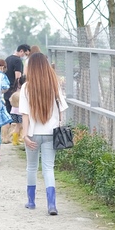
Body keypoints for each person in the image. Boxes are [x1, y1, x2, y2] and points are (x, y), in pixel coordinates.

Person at [19, 51, 68, 215]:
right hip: (51, 133)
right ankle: (51, 205)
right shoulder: (54, 84)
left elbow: (25, 115)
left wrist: (25, 135)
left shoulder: (26, 87)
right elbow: (62, 111)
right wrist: (59, 124)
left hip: (33, 133)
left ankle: (31, 202)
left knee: (31, 168)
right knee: (48, 168)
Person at [4, 44, 30, 144]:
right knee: (20, 118)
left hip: (7, 91)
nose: (25, 55)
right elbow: (18, 77)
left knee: (8, 116)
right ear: (22, 51)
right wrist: (19, 89)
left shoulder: (8, 58)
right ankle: (18, 138)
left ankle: (6, 137)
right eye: (25, 53)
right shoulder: (18, 60)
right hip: (14, 92)